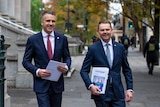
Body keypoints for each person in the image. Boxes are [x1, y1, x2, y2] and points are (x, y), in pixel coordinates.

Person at [22, 11, 71, 107]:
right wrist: (37, 71)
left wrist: (66, 66)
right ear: (42, 22)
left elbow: (67, 57)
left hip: (57, 85)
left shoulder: (62, 39)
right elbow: (25, 61)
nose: (51, 23)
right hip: (41, 84)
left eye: (53, 21)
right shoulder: (33, 40)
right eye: (48, 21)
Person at [80, 20, 133, 107]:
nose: (105, 32)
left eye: (107, 30)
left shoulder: (120, 48)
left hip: (118, 92)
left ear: (111, 30)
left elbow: (126, 69)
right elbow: (84, 70)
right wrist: (90, 85)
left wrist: (129, 89)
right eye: (102, 30)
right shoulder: (93, 49)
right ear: (98, 32)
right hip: (101, 93)